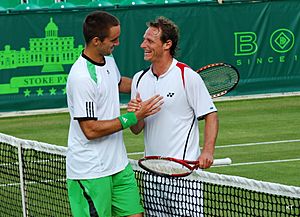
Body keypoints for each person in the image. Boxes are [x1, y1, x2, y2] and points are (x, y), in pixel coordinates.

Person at [66, 11, 163, 217]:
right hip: (90, 172)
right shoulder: (81, 77)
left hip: (119, 165)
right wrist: (133, 117)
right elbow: (90, 130)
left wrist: (156, 84)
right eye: (113, 40)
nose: (117, 43)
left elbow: (118, 84)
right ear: (96, 41)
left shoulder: (108, 60)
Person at [128, 16, 219, 216]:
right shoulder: (139, 79)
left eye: (150, 41)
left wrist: (208, 151)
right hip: (151, 173)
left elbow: (211, 115)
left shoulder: (188, 76)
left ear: (167, 44)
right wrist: (136, 115)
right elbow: (136, 129)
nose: (143, 45)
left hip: (183, 174)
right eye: (144, 39)